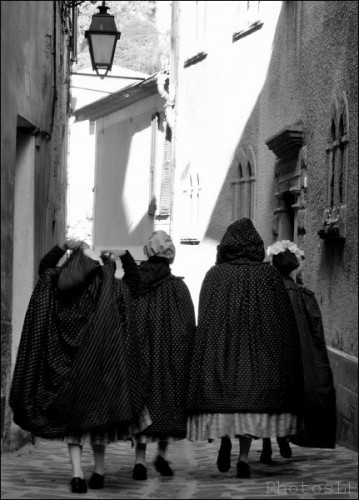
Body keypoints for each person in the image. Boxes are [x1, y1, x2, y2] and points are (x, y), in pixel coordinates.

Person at [10, 239, 149, 493]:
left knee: (73, 424)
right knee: (95, 420)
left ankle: (77, 476)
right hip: (97, 365)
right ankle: (98, 470)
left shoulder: (55, 284)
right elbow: (135, 284)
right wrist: (125, 256)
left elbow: (45, 266)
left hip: (65, 369)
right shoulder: (109, 287)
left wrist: (62, 246)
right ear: (94, 264)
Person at [186, 218, 304, 478]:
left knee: (229, 402)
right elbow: (280, 320)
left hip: (223, 353)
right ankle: (242, 458)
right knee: (251, 404)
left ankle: (226, 442)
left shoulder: (215, 275)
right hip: (258, 355)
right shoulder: (269, 275)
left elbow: (206, 320)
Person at [129, 230, 196, 480]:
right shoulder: (178, 288)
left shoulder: (138, 283)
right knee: (168, 404)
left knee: (142, 403)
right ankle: (163, 455)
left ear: (148, 251)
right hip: (170, 358)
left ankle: (139, 461)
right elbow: (188, 326)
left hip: (142, 355)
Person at [264, 240, 336, 456]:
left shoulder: (266, 295)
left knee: (271, 399)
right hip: (296, 359)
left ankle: (268, 444)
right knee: (291, 399)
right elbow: (315, 335)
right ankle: (284, 438)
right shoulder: (304, 295)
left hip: (271, 356)